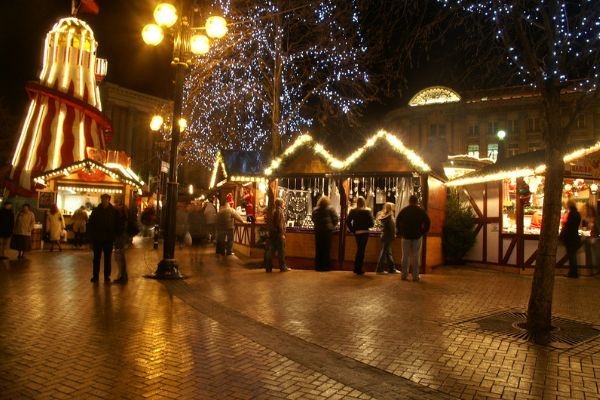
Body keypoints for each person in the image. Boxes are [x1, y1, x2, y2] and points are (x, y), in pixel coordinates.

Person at [87, 194, 121, 283]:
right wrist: (91, 238)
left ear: (109, 200)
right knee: (96, 258)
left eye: (106, 199)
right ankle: (95, 276)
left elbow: (117, 224)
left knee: (107, 258)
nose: (104, 201)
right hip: (97, 238)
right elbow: (91, 224)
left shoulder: (113, 211)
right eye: (103, 199)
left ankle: (107, 276)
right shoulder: (96, 210)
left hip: (108, 238)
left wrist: (115, 236)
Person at [396, 195, 430, 282]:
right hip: (417, 236)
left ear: (409, 201)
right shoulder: (421, 211)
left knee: (405, 256)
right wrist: (423, 232)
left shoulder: (404, 210)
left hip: (406, 236)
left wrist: (400, 232)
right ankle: (415, 276)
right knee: (416, 256)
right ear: (416, 201)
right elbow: (428, 222)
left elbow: (398, 221)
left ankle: (404, 275)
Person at [346, 196, 374, 275]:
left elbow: (348, 221)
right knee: (361, 250)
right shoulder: (367, 211)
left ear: (357, 202)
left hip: (357, 232)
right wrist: (366, 225)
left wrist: (353, 230)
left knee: (359, 249)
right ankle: (358, 268)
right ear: (364, 202)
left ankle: (357, 267)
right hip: (365, 232)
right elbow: (372, 224)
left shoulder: (353, 211)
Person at [311, 195, 339, 271]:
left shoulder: (315, 209)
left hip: (318, 231)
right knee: (326, 249)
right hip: (327, 231)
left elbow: (313, 219)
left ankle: (318, 266)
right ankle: (325, 266)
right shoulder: (331, 209)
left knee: (318, 249)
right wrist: (332, 226)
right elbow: (336, 218)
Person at [264, 198, 290, 272]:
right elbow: (279, 224)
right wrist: (282, 234)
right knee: (281, 251)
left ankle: (268, 268)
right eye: (283, 203)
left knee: (271, 251)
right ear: (280, 204)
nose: (284, 204)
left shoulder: (274, 211)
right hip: (278, 234)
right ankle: (283, 267)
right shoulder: (279, 211)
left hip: (273, 234)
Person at [375, 202, 400, 274]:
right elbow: (391, 228)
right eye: (393, 207)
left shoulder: (386, 216)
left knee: (388, 253)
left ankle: (392, 269)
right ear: (391, 208)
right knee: (384, 253)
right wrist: (394, 234)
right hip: (387, 236)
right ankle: (379, 270)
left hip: (386, 236)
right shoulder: (389, 216)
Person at [560, 199, 582, 278]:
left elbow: (568, 226)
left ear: (569, 205)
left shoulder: (571, 214)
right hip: (575, 237)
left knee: (571, 256)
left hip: (570, 238)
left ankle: (573, 273)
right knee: (573, 256)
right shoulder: (578, 214)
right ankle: (573, 272)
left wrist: (563, 224)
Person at [113, 201, 131, 284]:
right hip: (122, 237)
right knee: (121, 257)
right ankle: (123, 276)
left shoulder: (120, 217)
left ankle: (122, 276)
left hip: (120, 237)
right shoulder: (125, 217)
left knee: (120, 257)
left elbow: (118, 228)